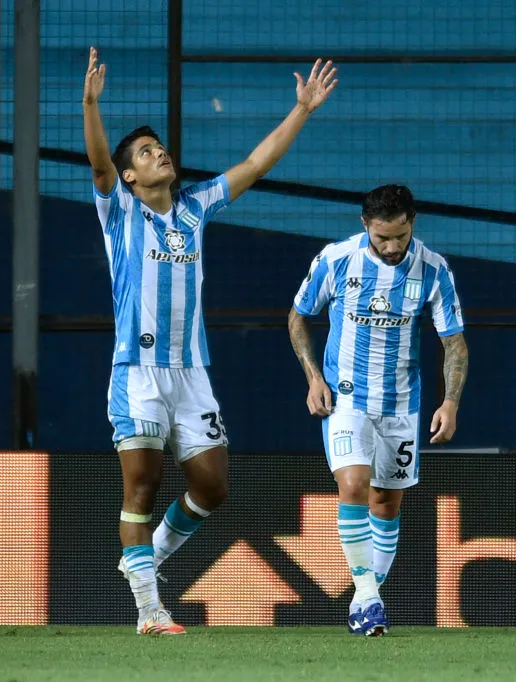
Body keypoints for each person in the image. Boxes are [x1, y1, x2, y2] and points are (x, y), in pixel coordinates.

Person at [83, 46, 338, 635]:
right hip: (138, 372)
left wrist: (301, 110)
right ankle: (150, 611)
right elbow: (99, 164)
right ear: (130, 176)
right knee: (141, 485)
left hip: (192, 373)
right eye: (146, 153)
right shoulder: (120, 210)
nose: (159, 154)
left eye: (159, 147)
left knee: (213, 487)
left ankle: (146, 561)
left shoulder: (196, 206)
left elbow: (255, 163)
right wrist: (91, 103)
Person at [287, 184, 469, 636]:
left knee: (386, 503)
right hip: (346, 397)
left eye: (400, 238)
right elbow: (298, 317)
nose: (391, 248)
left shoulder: (434, 269)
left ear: (413, 224)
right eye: (381, 238)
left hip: (402, 404)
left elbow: (455, 345)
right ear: (365, 225)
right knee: (353, 485)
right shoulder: (336, 259)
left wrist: (450, 400)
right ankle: (369, 598)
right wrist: (313, 377)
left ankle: (363, 600)